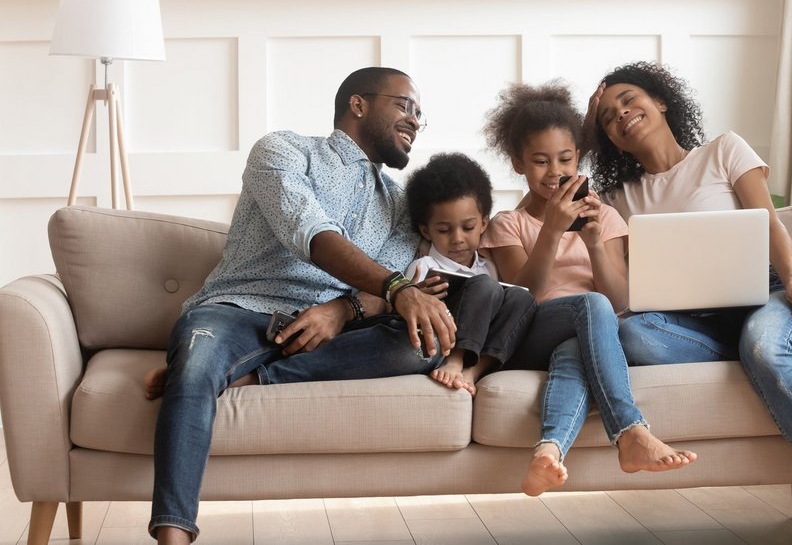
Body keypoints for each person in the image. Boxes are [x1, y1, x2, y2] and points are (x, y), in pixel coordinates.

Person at [145, 67, 457, 544]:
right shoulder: (283, 150)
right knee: (199, 359)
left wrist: (342, 312)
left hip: (327, 332)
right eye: (405, 106)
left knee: (425, 345)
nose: (416, 121)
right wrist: (397, 288)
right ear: (358, 104)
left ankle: (245, 375)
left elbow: (382, 288)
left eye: (421, 114)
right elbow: (310, 233)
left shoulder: (402, 204)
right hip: (237, 308)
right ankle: (173, 536)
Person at [584, 61, 792, 545]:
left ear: (661, 101)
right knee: (630, 331)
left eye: (629, 100)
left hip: (765, 298)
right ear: (610, 141)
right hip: (692, 325)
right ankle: (786, 351)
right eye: (608, 118)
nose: (621, 114)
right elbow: (618, 295)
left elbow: (770, 223)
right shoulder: (621, 198)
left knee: (765, 347)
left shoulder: (723, 150)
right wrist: (586, 124)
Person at [478, 80, 696, 497]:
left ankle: (548, 452)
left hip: (586, 334)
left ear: (578, 157)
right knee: (590, 306)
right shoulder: (508, 224)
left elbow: (623, 303)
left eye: (564, 158)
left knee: (577, 346)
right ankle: (630, 431)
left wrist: (595, 242)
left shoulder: (607, 217)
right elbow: (520, 300)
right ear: (518, 164)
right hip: (528, 334)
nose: (555, 171)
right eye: (540, 161)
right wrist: (553, 233)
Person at [402, 152, 536, 395]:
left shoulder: (490, 265)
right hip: (444, 341)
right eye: (444, 230)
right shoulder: (422, 266)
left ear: (484, 223)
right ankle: (455, 360)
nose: (457, 239)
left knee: (521, 297)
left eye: (468, 227)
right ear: (426, 230)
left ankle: (472, 372)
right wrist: (417, 295)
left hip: (484, 343)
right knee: (484, 285)